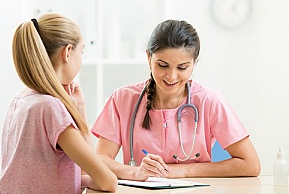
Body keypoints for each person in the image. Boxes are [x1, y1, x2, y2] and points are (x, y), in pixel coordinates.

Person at [91, 19, 261, 181]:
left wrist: (181, 171)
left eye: (182, 67)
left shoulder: (210, 101)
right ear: (149, 58)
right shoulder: (122, 99)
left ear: (193, 64)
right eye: (162, 65)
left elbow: (250, 164)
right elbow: (100, 159)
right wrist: (136, 172)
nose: (171, 76)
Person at [0, 13, 117, 193]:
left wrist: (78, 107)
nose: (80, 59)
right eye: (80, 52)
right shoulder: (50, 108)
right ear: (67, 53)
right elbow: (107, 181)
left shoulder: (20, 101)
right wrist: (81, 110)